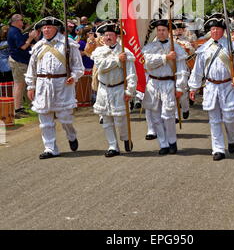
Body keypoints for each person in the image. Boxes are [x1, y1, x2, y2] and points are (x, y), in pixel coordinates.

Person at [189, 17, 234, 161]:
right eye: (212, 29)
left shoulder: (232, 47)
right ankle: (218, 149)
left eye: (218, 29)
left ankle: (232, 138)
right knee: (214, 120)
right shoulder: (203, 49)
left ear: (223, 31)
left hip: (227, 85)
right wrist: (193, 87)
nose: (215, 31)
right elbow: (197, 70)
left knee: (229, 118)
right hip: (211, 86)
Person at [25, 17, 84, 159]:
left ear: (56, 29)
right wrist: (31, 86)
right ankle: (50, 148)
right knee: (45, 120)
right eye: (44, 28)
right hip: (42, 85)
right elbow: (32, 68)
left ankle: (71, 135)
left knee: (65, 118)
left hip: (62, 85)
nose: (46, 30)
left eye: (49, 27)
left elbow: (78, 66)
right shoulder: (38, 46)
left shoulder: (68, 44)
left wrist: (74, 76)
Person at [142, 20, 188, 155]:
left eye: (164, 30)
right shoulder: (149, 47)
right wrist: (165, 57)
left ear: (168, 32)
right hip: (153, 83)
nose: (161, 32)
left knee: (168, 115)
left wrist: (180, 87)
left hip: (168, 83)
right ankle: (163, 143)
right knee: (155, 116)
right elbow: (147, 63)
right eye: (159, 30)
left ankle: (172, 141)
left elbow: (182, 69)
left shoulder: (177, 48)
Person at [91, 21, 136, 157]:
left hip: (119, 88)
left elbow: (131, 73)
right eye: (106, 35)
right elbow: (101, 65)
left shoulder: (125, 52)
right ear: (103, 38)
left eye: (111, 35)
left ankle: (125, 137)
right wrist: (117, 60)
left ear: (116, 37)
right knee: (106, 119)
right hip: (104, 89)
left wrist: (130, 90)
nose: (108, 37)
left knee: (120, 119)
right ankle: (112, 146)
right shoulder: (98, 51)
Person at [7, 14, 38, 118]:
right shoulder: (14, 32)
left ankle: (19, 108)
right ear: (16, 21)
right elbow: (23, 46)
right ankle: (17, 109)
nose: (23, 22)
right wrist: (30, 38)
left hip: (19, 61)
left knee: (20, 85)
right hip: (18, 61)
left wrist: (29, 37)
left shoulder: (15, 31)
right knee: (19, 85)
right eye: (21, 20)